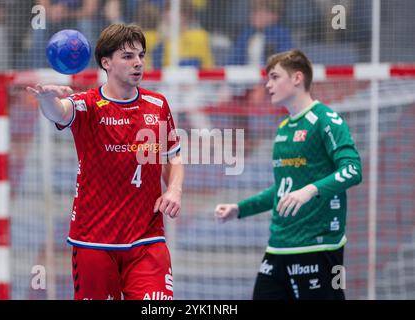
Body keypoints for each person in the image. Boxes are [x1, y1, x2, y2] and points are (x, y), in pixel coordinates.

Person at [27, 23, 184, 300]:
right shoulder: (87, 104)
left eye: (141, 55)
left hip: (147, 239)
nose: (138, 63)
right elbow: (59, 113)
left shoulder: (158, 104)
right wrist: (47, 99)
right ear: (106, 62)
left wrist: (174, 189)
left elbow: (173, 155)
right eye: (128, 56)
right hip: (93, 241)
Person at [214, 49, 362, 300]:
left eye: (274, 77)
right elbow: (282, 189)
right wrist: (239, 209)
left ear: (297, 78)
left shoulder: (325, 119)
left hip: (318, 246)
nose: (267, 84)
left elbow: (352, 170)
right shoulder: (283, 128)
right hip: (278, 247)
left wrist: (310, 190)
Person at [227, 0, 293, 66]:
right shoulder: (246, 34)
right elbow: (234, 59)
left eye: (260, 12)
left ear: (274, 16)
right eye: (253, 12)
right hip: (246, 74)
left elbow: (284, 60)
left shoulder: (281, 34)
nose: (255, 16)